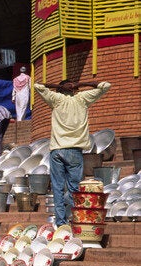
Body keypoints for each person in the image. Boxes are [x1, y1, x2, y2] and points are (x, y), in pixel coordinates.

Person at [34, 78, 111, 226]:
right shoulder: (82, 99)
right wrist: (80, 84)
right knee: (74, 188)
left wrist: (59, 86)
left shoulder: (56, 99)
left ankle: (61, 222)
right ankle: (75, 219)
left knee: (57, 187)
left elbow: (38, 86)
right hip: (74, 151)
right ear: (74, 89)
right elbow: (105, 86)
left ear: (60, 90)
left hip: (57, 150)